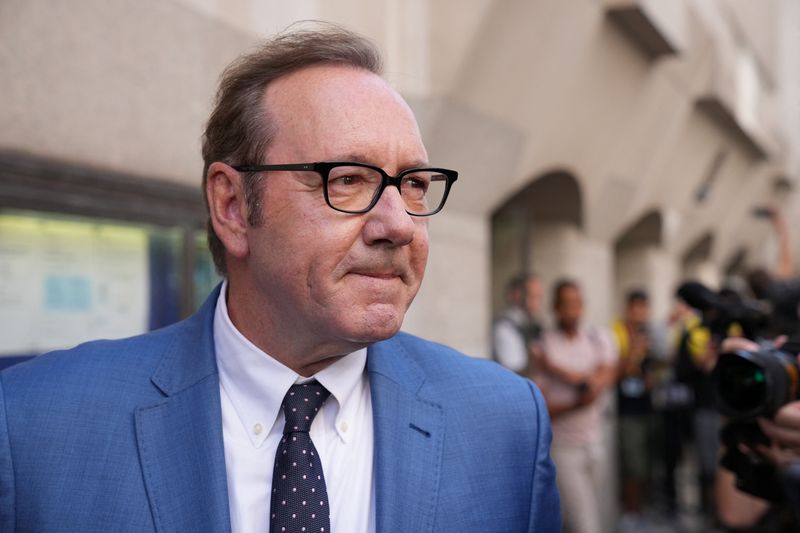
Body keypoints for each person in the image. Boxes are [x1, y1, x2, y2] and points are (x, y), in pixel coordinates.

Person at [0, 25, 560, 532]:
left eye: (414, 184)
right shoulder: (33, 429)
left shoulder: (505, 426)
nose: (399, 225)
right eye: (347, 180)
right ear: (233, 207)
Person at [531, 279, 617, 533]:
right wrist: (577, 401)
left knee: (580, 517)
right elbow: (543, 406)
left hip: (594, 442)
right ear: (556, 308)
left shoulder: (596, 338)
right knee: (585, 525)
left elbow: (599, 383)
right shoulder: (545, 345)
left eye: (577, 304)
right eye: (566, 304)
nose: (572, 310)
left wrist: (554, 369)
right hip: (564, 448)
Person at [611, 289, 667, 527]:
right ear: (628, 308)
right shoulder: (618, 333)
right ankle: (631, 514)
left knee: (647, 462)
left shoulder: (649, 334)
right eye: (636, 307)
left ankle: (642, 510)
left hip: (648, 407)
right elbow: (613, 372)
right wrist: (633, 351)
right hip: (627, 410)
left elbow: (656, 367)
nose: (640, 313)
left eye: (644, 308)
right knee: (632, 464)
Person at [492, 273, 543, 375]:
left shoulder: (532, 323)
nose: (537, 303)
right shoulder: (505, 326)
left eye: (539, 297)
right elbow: (514, 369)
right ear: (516, 295)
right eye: (533, 296)